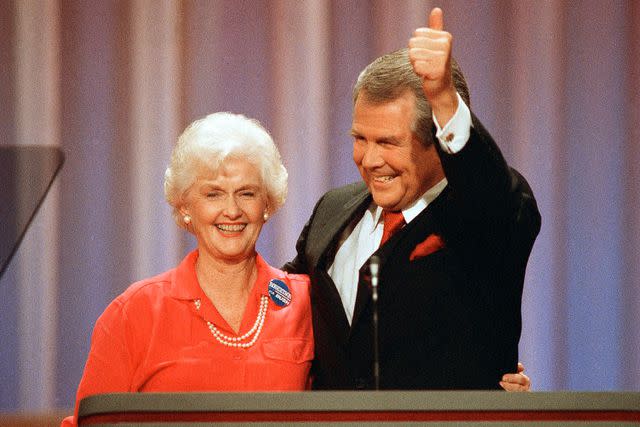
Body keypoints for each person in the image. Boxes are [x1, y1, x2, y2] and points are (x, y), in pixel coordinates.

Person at [283, 8, 540, 390]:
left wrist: (445, 103)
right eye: (360, 139)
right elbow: (282, 305)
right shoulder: (331, 210)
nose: (369, 160)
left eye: (388, 142)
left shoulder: (490, 214)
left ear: (437, 141)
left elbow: (487, 187)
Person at [62, 112, 313, 426]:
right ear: (185, 208)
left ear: (268, 205)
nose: (232, 210)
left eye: (247, 193)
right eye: (213, 194)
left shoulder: (307, 303)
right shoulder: (133, 313)